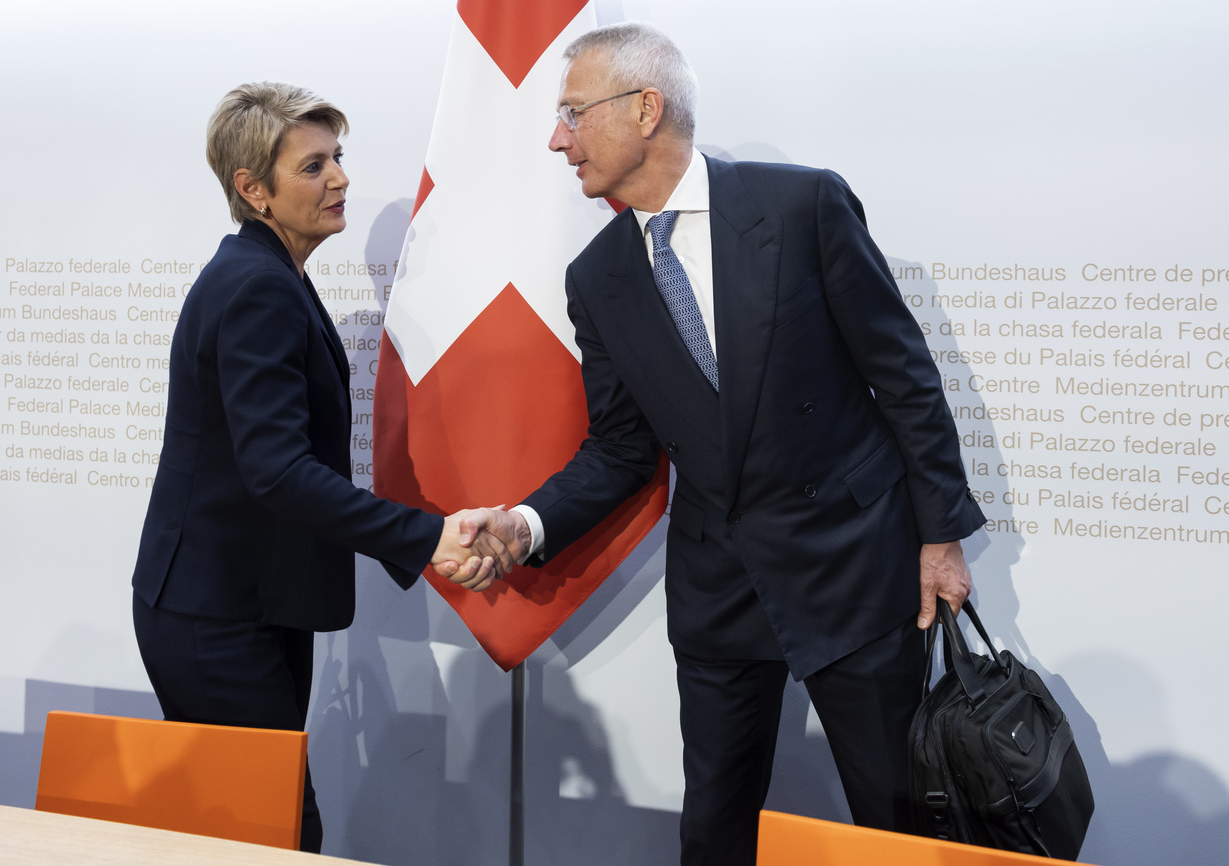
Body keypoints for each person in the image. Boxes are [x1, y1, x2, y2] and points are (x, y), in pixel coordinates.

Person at [461, 24, 986, 864]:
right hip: (719, 590)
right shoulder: (595, 280)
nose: (556, 138)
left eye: (571, 112)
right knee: (712, 830)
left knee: (895, 825)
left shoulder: (803, 206)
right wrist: (526, 524)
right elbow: (622, 452)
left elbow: (905, 377)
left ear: (645, 108)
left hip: (849, 566)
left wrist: (938, 535)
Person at [130, 82, 508, 853]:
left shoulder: (271, 276)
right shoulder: (258, 288)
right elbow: (278, 471)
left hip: (248, 605)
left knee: (263, 824)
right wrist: (426, 537)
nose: (339, 178)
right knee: (266, 831)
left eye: (337, 158)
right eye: (312, 166)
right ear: (253, 190)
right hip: (218, 618)